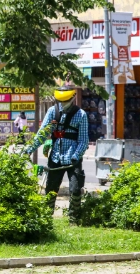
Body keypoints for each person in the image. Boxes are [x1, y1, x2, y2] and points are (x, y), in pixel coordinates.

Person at [24, 86, 88, 224]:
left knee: (75, 189)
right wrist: (29, 149)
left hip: (73, 159)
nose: (62, 104)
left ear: (73, 98)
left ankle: (74, 220)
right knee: (50, 190)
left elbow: (83, 140)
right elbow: (41, 134)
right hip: (56, 157)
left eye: (65, 101)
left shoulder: (81, 114)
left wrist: (76, 155)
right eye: (60, 101)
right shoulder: (52, 111)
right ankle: (46, 218)